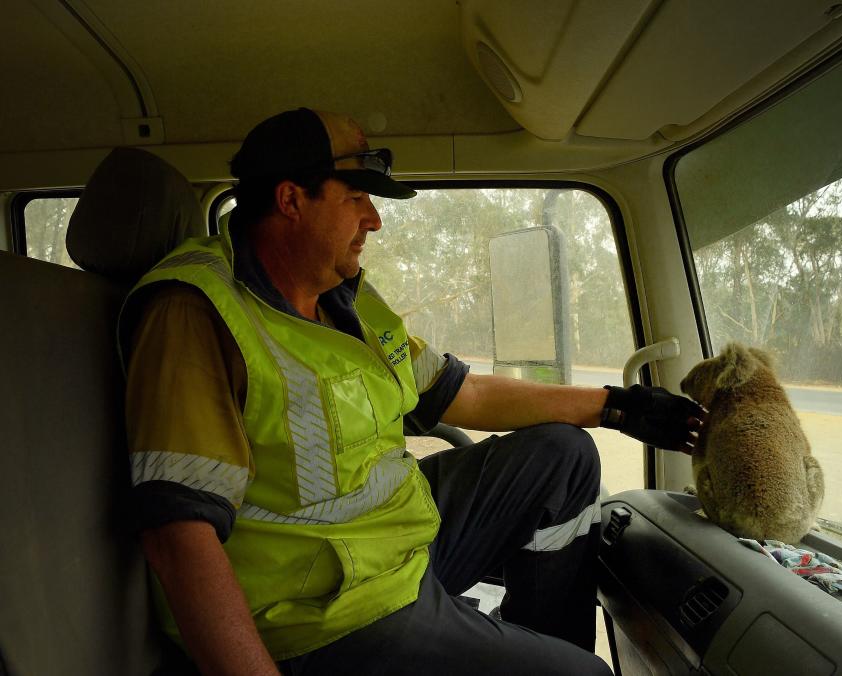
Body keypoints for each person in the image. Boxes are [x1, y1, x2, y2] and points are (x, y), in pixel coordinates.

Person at [120, 107, 704, 676]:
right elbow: (179, 537)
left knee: (565, 456)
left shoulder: (345, 299)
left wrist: (616, 406)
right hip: (323, 614)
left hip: (398, 544)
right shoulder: (195, 311)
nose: (373, 219)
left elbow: (463, 394)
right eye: (356, 198)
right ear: (291, 199)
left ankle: (537, 647)